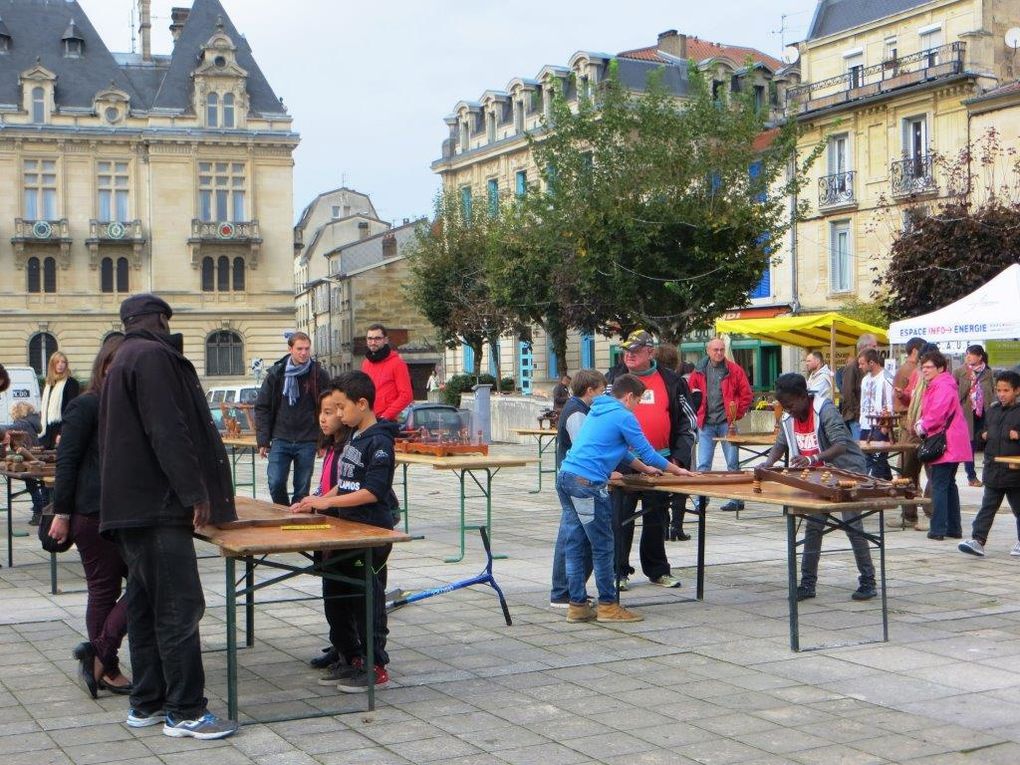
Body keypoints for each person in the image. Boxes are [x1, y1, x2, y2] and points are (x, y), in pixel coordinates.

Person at [100, 293, 237, 739]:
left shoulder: (124, 356)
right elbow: (168, 430)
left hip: (130, 508)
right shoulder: (154, 357)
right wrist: (193, 491)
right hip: (157, 507)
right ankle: (186, 711)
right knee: (179, 608)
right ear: (159, 320)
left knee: (144, 608)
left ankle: (149, 702)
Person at [557, 373, 694, 623]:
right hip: (588, 483)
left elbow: (620, 451)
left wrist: (645, 469)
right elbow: (647, 451)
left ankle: (577, 605)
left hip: (567, 477)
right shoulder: (623, 415)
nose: (638, 406)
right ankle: (609, 606)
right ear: (629, 397)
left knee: (576, 543)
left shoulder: (598, 410)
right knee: (603, 546)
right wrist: (677, 469)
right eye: (639, 401)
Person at [291, 371, 398, 692]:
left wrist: (325, 505)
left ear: (362, 404)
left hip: (370, 534)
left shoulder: (379, 441)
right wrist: (320, 500)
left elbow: (373, 491)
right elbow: (347, 482)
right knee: (337, 595)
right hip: (347, 530)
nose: (337, 415)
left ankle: (374, 665)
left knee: (367, 601)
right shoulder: (355, 436)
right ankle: (349, 656)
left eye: (341, 408)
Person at [50, 334, 132, 699]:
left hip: (126, 512)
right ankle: (106, 664)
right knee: (104, 590)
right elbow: (66, 461)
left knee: (148, 583)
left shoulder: (128, 404)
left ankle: (98, 655)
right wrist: (62, 512)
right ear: (104, 365)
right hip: (92, 512)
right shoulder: (86, 405)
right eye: (118, 364)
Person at [762, 374, 877, 601]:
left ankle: (868, 580)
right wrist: (767, 463)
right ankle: (807, 584)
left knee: (852, 525)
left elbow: (840, 445)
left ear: (804, 397)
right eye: (784, 407)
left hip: (847, 473)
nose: (788, 410)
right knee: (813, 528)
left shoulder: (825, 410)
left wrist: (812, 459)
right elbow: (781, 444)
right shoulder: (789, 417)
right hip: (818, 477)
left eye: (791, 405)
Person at [608, 330, 697, 590]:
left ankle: (658, 570)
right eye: (626, 351)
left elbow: (688, 423)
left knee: (658, 519)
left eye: (635, 351)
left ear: (650, 352)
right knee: (620, 518)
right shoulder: (613, 379)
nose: (629, 355)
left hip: (662, 461)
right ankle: (618, 571)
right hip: (622, 463)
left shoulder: (672, 381)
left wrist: (679, 460)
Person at [255, 331, 330, 507]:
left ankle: (297, 516)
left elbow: (329, 409)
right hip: (281, 437)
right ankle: (283, 511)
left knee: (302, 488)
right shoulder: (276, 374)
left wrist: (324, 441)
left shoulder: (319, 374)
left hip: (308, 438)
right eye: (299, 349)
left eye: (307, 349)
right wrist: (263, 440)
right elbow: (262, 407)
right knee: (275, 482)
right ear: (290, 349)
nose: (304, 353)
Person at [959, 371, 1020, 557]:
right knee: (987, 507)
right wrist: (982, 436)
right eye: (999, 390)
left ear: (1017, 391)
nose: (1002, 394)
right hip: (993, 470)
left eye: (1006, 390)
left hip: (1015, 472)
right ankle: (978, 541)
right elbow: (980, 437)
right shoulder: (992, 410)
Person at [688, 336, 752, 512]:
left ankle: (736, 499)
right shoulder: (699, 371)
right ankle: (702, 500)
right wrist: (697, 413)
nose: (719, 353)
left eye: (722, 350)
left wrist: (735, 414)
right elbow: (691, 394)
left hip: (727, 423)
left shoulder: (734, 370)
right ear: (708, 351)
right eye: (715, 350)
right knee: (704, 464)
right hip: (706, 423)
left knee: (732, 463)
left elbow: (746, 394)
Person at [916, 349, 971, 541]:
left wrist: (922, 424)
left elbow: (937, 413)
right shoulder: (942, 383)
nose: (925, 370)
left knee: (939, 484)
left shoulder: (942, 385)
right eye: (923, 367)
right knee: (948, 484)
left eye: (929, 367)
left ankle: (938, 529)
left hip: (946, 441)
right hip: (953, 440)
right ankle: (953, 528)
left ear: (941, 368)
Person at [656, 343, 692, 541]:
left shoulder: (668, 382)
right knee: (679, 488)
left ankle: (664, 526)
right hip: (674, 446)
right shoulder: (677, 382)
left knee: (660, 494)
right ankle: (676, 526)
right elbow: (688, 418)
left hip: (661, 448)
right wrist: (680, 456)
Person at [954, 344, 994, 488]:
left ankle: (989, 475)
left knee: (986, 442)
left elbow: (993, 392)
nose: (968, 357)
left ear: (980, 357)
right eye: (967, 354)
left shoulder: (988, 372)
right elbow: (954, 395)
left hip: (984, 412)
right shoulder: (959, 371)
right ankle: (971, 476)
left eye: (971, 354)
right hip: (967, 414)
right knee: (969, 445)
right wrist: (970, 383)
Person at [4, 402, 48, 524]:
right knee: (41, 485)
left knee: (32, 485)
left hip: (28, 458)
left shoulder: (22, 423)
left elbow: (5, 429)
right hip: (36, 456)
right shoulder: (32, 421)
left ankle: (38, 512)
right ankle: (42, 509)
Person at [361, 324, 413, 421]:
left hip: (386, 421)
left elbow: (406, 395)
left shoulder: (397, 363)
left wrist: (385, 416)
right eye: (370, 338)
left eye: (377, 338)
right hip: (369, 419)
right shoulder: (366, 364)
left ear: (385, 340)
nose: (373, 342)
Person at [859, 349, 893, 479]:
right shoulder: (865, 379)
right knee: (867, 459)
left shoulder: (886, 377)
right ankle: (888, 481)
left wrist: (885, 428)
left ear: (871, 362)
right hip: (865, 425)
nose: (860, 366)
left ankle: (878, 485)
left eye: (862, 363)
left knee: (878, 459)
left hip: (879, 426)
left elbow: (890, 404)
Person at [39, 351, 80, 450]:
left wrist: (62, 433)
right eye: (57, 362)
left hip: (61, 431)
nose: (60, 365)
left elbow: (72, 411)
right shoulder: (49, 384)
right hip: (47, 432)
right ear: (52, 364)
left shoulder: (71, 383)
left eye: (63, 362)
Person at [839, 333, 877, 440]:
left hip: (867, 416)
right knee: (861, 451)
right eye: (874, 346)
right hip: (856, 417)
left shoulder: (870, 366)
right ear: (864, 347)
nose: (876, 350)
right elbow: (848, 393)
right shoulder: (852, 367)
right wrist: (858, 414)